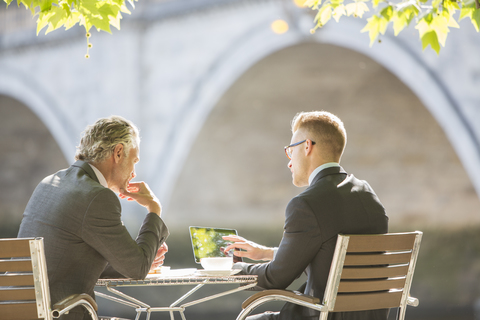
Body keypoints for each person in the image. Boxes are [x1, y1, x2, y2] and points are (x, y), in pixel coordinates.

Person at [224, 111, 389, 320]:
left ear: (307, 146)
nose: (289, 162)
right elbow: (329, 257)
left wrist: (232, 269)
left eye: (290, 151)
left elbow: (276, 278)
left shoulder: (305, 205)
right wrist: (266, 252)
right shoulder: (368, 196)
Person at [17, 116, 169, 320]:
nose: (133, 173)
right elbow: (137, 268)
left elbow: (67, 260)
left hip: (19, 311)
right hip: (60, 314)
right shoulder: (98, 196)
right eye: (134, 161)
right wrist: (154, 208)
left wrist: (137, 259)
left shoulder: (48, 183)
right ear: (118, 152)